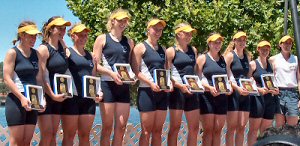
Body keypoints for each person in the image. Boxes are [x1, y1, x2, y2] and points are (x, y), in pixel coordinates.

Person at [92, 8, 134, 146]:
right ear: (113, 21)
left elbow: (132, 66)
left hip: (123, 87)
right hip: (107, 86)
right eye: (120, 20)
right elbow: (95, 65)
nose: (123, 23)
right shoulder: (102, 39)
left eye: (125, 21)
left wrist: (133, 77)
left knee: (121, 127)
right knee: (107, 127)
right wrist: (111, 73)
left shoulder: (129, 42)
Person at [60, 23, 103, 146]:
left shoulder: (91, 56)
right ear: (73, 36)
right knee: (69, 135)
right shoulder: (67, 53)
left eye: (85, 35)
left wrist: (98, 92)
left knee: (84, 135)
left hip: (88, 100)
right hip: (71, 99)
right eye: (80, 35)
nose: (83, 38)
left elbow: (93, 76)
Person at [131, 18, 169, 146]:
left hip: (162, 93)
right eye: (155, 29)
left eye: (160, 29)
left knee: (158, 131)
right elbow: (136, 71)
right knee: (146, 132)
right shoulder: (140, 47)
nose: (158, 32)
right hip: (146, 91)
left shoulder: (163, 49)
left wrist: (168, 85)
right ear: (148, 29)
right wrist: (151, 83)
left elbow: (165, 71)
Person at [3, 21, 42, 145]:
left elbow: (39, 79)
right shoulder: (12, 53)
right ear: (22, 35)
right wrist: (21, 98)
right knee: (16, 142)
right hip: (16, 100)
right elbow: (7, 78)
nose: (34, 38)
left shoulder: (37, 54)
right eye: (31, 35)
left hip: (33, 100)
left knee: (27, 141)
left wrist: (42, 99)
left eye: (35, 36)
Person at [37, 16, 71, 146]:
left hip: (59, 97)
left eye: (64, 28)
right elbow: (40, 76)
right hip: (47, 96)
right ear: (50, 29)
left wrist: (64, 45)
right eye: (60, 28)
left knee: (53, 135)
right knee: (46, 135)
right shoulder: (43, 49)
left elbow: (67, 52)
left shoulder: (62, 48)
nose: (63, 30)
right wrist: (51, 95)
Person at [165, 22, 199, 146]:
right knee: (175, 128)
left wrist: (196, 86)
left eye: (191, 33)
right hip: (177, 93)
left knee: (194, 128)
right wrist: (180, 86)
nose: (190, 35)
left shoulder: (193, 50)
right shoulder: (171, 51)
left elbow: (194, 72)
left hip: (192, 92)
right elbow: (166, 75)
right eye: (187, 33)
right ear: (179, 34)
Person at [196, 33, 231, 146]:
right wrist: (209, 87)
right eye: (215, 42)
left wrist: (228, 88)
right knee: (208, 131)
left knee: (217, 131)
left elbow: (227, 79)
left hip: (222, 97)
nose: (217, 45)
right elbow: (197, 79)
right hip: (206, 97)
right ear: (209, 43)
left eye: (219, 42)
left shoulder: (223, 60)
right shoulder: (202, 58)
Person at [247, 41, 280, 146]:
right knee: (253, 130)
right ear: (258, 50)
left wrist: (276, 89)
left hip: (270, 99)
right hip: (257, 99)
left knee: (266, 131)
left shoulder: (271, 64)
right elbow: (247, 81)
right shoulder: (253, 64)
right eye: (262, 49)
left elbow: (273, 81)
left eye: (267, 49)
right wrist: (258, 89)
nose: (264, 51)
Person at [223, 31, 251, 146]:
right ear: (234, 41)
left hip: (245, 94)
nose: (241, 42)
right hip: (233, 94)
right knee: (231, 128)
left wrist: (249, 87)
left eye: (243, 40)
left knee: (242, 127)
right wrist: (237, 88)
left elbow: (249, 75)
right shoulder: (229, 56)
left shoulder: (248, 56)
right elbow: (225, 76)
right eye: (239, 40)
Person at [269, 35, 300, 127]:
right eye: (285, 43)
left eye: (289, 43)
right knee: (279, 125)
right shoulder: (273, 59)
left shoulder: (296, 59)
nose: (287, 45)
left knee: (293, 125)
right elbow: (270, 78)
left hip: (292, 93)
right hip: (278, 93)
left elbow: (299, 79)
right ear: (280, 45)